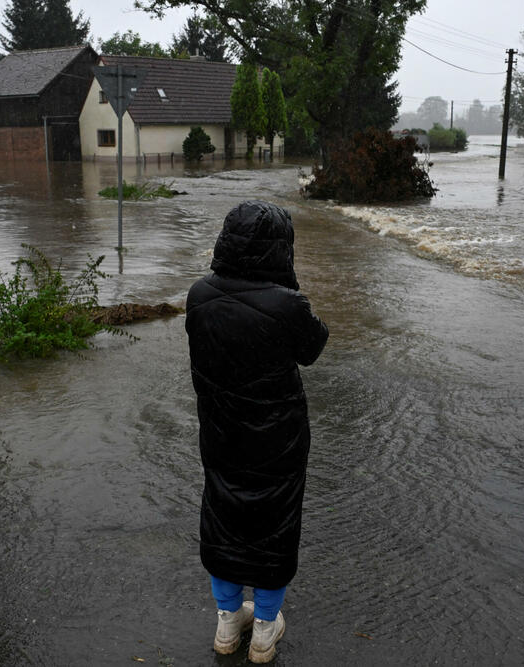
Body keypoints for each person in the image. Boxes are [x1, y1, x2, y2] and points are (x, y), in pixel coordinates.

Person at [185, 200, 329, 662]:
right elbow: (314, 345)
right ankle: (264, 630)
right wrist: (288, 290)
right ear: (279, 249)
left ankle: (228, 623)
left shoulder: (198, 295)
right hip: (279, 440)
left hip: (221, 431)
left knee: (224, 516)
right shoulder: (287, 305)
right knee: (275, 523)